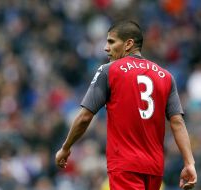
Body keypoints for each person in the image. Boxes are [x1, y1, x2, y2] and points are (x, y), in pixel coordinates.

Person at [55, 20, 197, 190]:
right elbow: (177, 123)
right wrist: (189, 163)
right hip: (155, 168)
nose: (106, 48)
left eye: (111, 41)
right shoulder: (165, 76)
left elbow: (85, 117)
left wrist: (66, 148)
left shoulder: (109, 70)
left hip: (125, 165)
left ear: (128, 44)